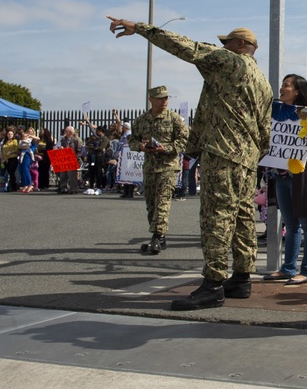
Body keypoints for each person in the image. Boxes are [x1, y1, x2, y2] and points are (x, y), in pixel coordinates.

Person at [108, 16, 272, 311]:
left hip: (223, 153)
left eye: (228, 43)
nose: (224, 47)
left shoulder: (230, 63)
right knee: (244, 217)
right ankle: (242, 278)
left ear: (242, 45)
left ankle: (213, 285)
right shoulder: (264, 82)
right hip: (246, 158)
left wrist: (142, 29)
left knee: (216, 217)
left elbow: (187, 48)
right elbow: (264, 131)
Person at [263, 74, 307, 285]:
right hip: (280, 177)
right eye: (282, 84)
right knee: (290, 224)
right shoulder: (273, 112)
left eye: (287, 85)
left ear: (297, 91)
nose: (282, 88)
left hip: (301, 178)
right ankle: (288, 268)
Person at [128, 86, 189, 255]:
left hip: (168, 167)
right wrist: (140, 146)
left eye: (166, 98)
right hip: (150, 168)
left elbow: (184, 141)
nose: (165, 101)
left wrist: (166, 148)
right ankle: (160, 236)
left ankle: (157, 236)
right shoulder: (141, 120)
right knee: (151, 205)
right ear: (151, 99)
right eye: (161, 98)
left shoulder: (175, 119)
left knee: (163, 202)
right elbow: (132, 139)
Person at [57, 126, 83, 194]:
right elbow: (57, 146)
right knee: (63, 174)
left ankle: (73, 189)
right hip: (64, 158)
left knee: (72, 175)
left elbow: (79, 150)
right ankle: (63, 188)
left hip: (72, 159)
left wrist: (75, 157)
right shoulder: (62, 139)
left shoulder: (75, 140)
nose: (65, 132)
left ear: (70, 132)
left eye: (66, 131)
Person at [117, 122, 138, 198]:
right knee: (125, 178)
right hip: (125, 163)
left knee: (130, 179)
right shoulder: (125, 146)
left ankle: (130, 193)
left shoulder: (133, 146)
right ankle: (125, 192)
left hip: (131, 165)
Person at [1, 128, 20, 192]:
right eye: (9, 134)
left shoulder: (14, 141)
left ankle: (13, 186)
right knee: (8, 172)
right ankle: (10, 185)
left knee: (12, 173)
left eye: (11, 134)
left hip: (13, 158)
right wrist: (3, 158)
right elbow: (2, 149)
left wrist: (11, 152)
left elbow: (17, 149)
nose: (10, 135)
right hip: (6, 159)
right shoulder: (4, 141)